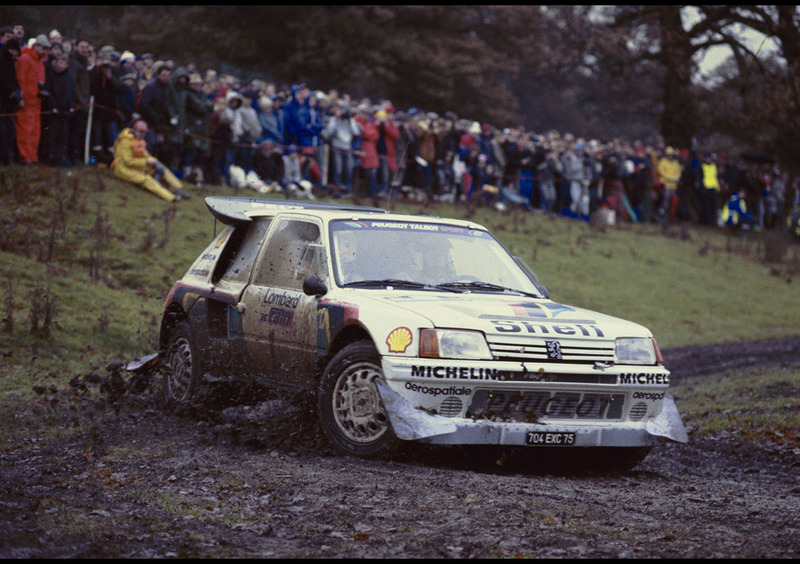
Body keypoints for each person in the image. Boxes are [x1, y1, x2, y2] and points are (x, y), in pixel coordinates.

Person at [111, 119, 189, 203]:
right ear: (134, 130)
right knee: (146, 179)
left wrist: (155, 162)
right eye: (141, 132)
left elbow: (145, 154)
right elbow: (127, 161)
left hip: (135, 167)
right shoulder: (125, 141)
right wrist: (146, 161)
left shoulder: (138, 140)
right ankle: (171, 198)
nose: (143, 134)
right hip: (123, 169)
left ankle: (177, 188)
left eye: (144, 132)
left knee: (161, 168)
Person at [14, 34, 50, 164]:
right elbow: (20, 79)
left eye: (47, 49)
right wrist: (21, 97)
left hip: (36, 101)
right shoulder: (25, 58)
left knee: (35, 132)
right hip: (26, 102)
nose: (46, 51)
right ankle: (24, 157)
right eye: (44, 48)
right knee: (25, 131)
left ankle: (32, 157)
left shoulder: (40, 63)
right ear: (36, 46)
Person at [137, 62, 173, 165]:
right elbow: (143, 105)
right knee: (150, 144)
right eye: (163, 75)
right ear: (158, 75)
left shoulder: (167, 89)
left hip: (160, 123)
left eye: (168, 76)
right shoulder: (151, 87)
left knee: (161, 146)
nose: (165, 78)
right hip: (148, 121)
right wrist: (154, 116)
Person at [43, 52, 74, 166]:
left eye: (64, 62)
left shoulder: (68, 76)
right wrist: (53, 106)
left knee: (63, 135)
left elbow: (71, 92)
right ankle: (51, 156)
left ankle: (61, 156)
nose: (62, 65)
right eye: (60, 61)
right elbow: (49, 92)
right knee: (52, 134)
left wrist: (71, 106)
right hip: (54, 111)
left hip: (65, 111)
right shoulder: (51, 75)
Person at [181, 73, 213, 184]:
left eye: (198, 84)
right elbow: (201, 107)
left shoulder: (201, 95)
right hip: (192, 127)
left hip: (202, 129)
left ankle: (198, 178)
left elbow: (210, 107)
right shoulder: (187, 94)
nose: (196, 86)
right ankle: (188, 176)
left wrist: (206, 105)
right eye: (194, 84)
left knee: (200, 156)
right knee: (190, 153)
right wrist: (205, 105)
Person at [322, 102, 360, 194]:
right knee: (338, 170)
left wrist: (350, 119)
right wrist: (336, 119)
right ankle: (337, 190)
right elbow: (329, 132)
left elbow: (356, 133)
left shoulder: (350, 120)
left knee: (349, 170)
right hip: (337, 148)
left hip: (347, 148)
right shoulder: (333, 119)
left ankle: (347, 190)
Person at [68, 37, 91, 165]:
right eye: (82, 47)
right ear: (76, 47)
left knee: (80, 131)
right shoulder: (74, 62)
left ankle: (78, 157)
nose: (84, 50)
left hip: (84, 102)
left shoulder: (84, 62)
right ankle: (73, 158)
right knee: (74, 132)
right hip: (77, 103)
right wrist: (81, 101)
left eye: (86, 47)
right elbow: (74, 84)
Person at [0, 37, 22, 165]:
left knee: (9, 130)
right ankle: (6, 158)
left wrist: (17, 91)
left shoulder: (10, 61)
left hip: (9, 101)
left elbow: (13, 79)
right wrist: (11, 92)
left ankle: (9, 157)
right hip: (4, 100)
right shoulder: (3, 60)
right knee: (4, 130)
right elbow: (3, 78)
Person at [656, 147, 682, 224]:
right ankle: (662, 217)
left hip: (674, 185)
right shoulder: (662, 162)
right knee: (665, 200)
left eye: (671, 154)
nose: (670, 156)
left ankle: (671, 218)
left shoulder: (675, 163)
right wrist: (668, 178)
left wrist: (675, 178)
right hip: (665, 184)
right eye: (668, 154)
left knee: (673, 202)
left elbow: (678, 172)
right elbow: (660, 171)